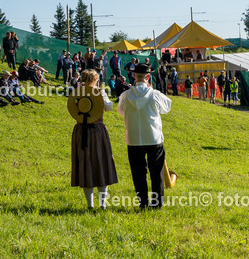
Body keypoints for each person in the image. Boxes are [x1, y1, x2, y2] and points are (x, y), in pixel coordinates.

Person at [118, 63, 173, 209]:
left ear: (134, 76)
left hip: (134, 138)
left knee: (138, 173)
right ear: (148, 77)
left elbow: (121, 111)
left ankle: (143, 202)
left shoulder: (125, 95)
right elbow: (167, 108)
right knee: (156, 172)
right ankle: (156, 203)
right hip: (153, 137)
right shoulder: (154, 95)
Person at [70, 69, 119, 210]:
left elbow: (73, 112)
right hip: (97, 131)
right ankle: (102, 204)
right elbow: (108, 107)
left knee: (85, 164)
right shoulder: (99, 92)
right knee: (101, 163)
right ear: (94, 80)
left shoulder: (77, 93)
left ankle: (90, 205)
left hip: (80, 130)